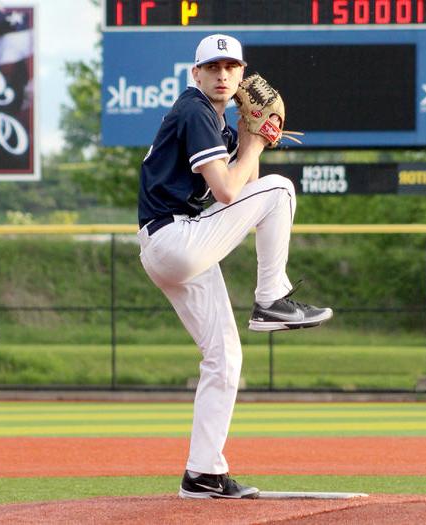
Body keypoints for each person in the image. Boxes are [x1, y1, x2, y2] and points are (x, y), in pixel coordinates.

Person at [137, 34, 333, 499]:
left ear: (242, 74)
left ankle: (203, 474)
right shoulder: (196, 111)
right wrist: (255, 147)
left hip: (174, 245)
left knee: (224, 359)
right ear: (196, 74)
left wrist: (248, 142)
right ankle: (270, 300)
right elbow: (228, 192)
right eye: (213, 67)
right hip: (176, 237)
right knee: (283, 189)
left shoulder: (217, 123)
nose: (222, 75)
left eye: (231, 67)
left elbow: (246, 191)